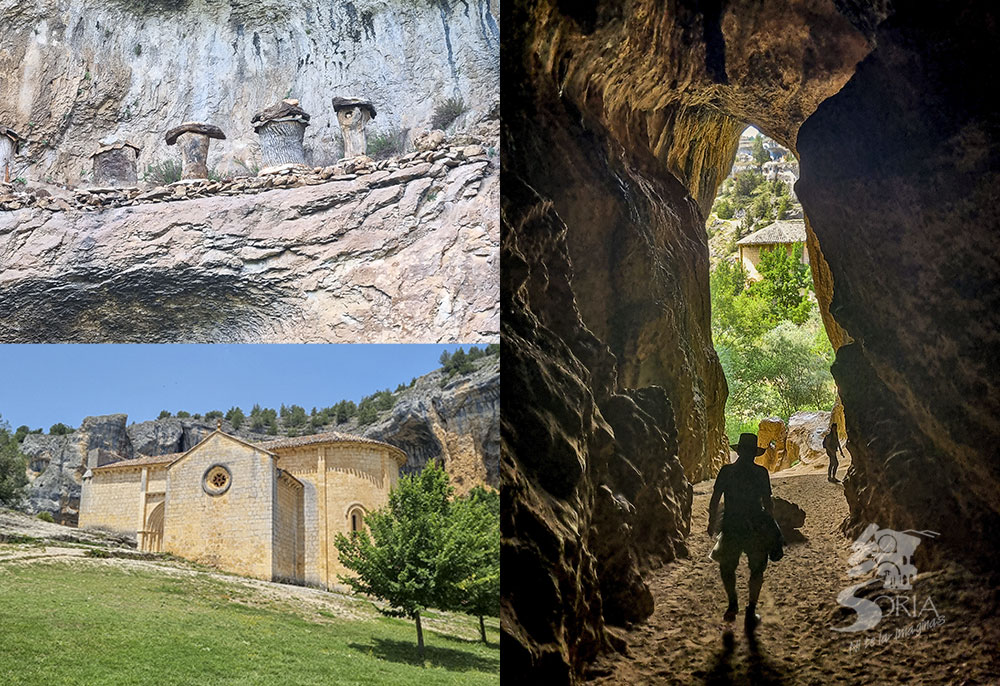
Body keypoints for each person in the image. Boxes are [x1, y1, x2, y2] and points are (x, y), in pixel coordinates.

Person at [708, 433, 780, 631]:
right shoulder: (761, 473)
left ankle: (732, 604)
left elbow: (715, 499)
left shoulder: (726, 471)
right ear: (754, 453)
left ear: (739, 451)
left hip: (731, 524)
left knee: (727, 567)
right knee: (757, 568)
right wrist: (771, 524)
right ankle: (751, 610)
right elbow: (767, 502)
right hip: (755, 525)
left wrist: (711, 521)